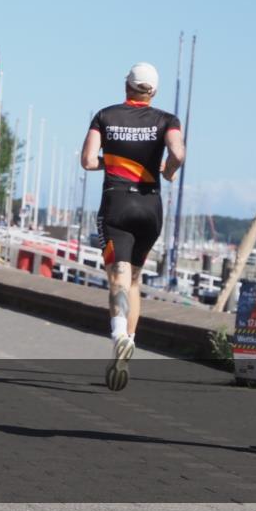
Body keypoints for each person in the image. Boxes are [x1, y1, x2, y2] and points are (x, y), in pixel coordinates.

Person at [80, 62, 185, 391]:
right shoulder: (166, 119)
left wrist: (109, 162)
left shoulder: (106, 116)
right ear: (153, 91)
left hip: (118, 203)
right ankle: (130, 341)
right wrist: (167, 171)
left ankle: (119, 335)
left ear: (126, 85)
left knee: (118, 277)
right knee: (135, 279)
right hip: (150, 207)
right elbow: (178, 153)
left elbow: (87, 160)